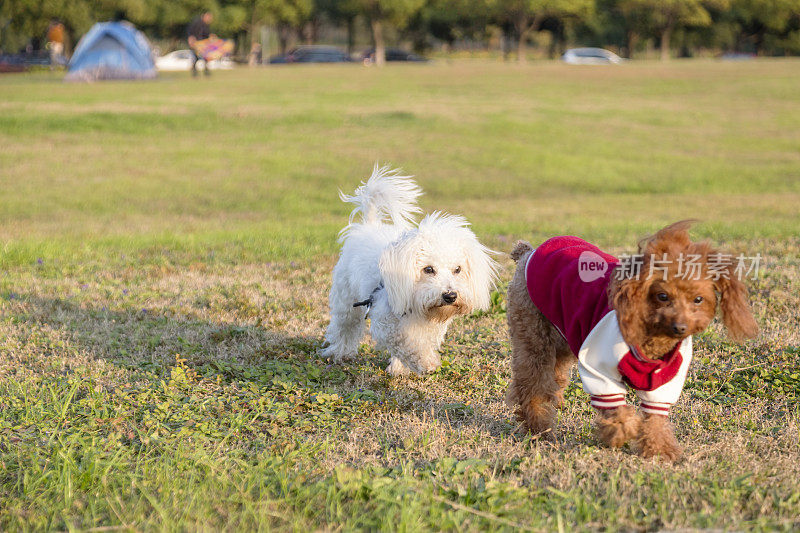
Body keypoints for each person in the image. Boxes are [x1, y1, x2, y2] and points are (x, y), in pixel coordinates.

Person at [187, 11, 213, 77]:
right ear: (204, 16)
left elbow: (206, 34)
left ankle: (206, 73)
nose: (209, 19)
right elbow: (190, 32)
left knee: (205, 58)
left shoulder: (206, 25)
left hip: (203, 44)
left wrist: (211, 36)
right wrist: (191, 39)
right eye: (208, 17)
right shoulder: (197, 22)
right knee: (196, 58)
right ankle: (195, 74)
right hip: (196, 44)